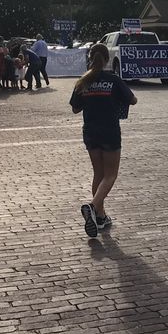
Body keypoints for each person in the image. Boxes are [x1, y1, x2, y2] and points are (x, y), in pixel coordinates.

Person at [70, 43, 137, 237]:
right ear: (107, 59)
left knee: (98, 174)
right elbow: (132, 100)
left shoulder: (83, 81)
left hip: (91, 132)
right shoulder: (113, 80)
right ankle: (92, 207)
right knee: (110, 175)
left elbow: (75, 108)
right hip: (109, 131)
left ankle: (100, 217)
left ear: (89, 58)